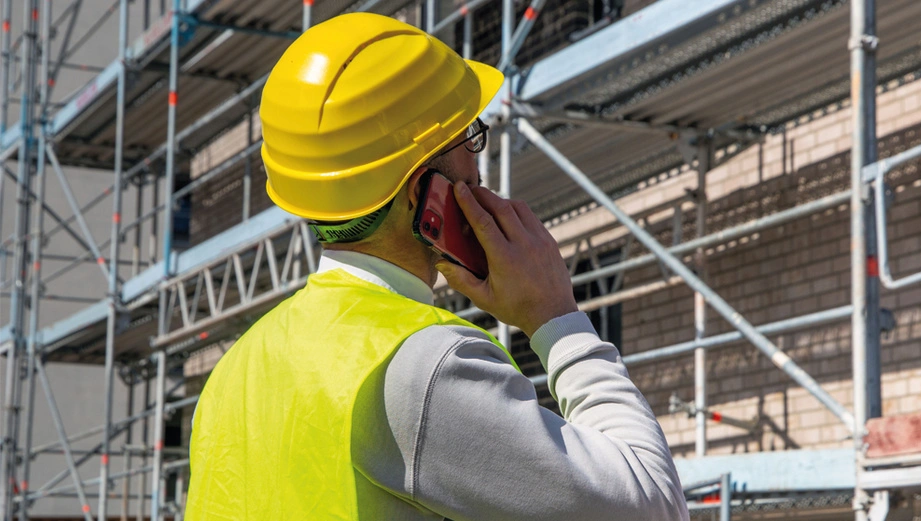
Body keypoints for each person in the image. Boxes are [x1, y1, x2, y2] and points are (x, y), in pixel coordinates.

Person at [185, 12, 688, 521]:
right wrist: (556, 317)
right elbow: (652, 504)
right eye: (468, 137)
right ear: (422, 194)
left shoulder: (234, 372)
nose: (477, 162)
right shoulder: (425, 366)